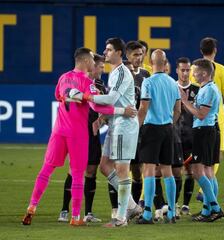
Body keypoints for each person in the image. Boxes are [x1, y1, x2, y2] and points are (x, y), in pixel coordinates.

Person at [22, 47, 121, 226]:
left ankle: (32, 206)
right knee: (77, 174)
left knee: (46, 169)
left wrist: (72, 96)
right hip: (77, 134)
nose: (94, 63)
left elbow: (59, 96)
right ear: (84, 61)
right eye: (92, 60)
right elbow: (97, 107)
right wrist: (121, 111)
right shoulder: (87, 82)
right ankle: (75, 217)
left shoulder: (63, 78)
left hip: (59, 131)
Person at [75, 37, 141, 227]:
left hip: (124, 126)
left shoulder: (121, 73)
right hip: (115, 124)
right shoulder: (114, 73)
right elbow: (114, 102)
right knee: (105, 166)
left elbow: (111, 99)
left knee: (122, 170)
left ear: (119, 53)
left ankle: (121, 218)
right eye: (106, 49)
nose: (105, 52)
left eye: (109, 49)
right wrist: (102, 118)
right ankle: (131, 206)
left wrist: (86, 96)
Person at [58, 53, 106, 223]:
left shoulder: (100, 85)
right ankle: (64, 209)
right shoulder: (77, 81)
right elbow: (66, 101)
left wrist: (100, 119)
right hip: (78, 131)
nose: (101, 69)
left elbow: (105, 107)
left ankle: (89, 213)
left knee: (91, 171)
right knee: (74, 170)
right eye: (99, 66)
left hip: (92, 135)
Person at [136, 49, 181, 224]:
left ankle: (147, 213)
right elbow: (177, 110)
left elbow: (143, 108)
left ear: (151, 62)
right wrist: (170, 123)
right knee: (167, 170)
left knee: (148, 170)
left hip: (152, 128)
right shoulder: (172, 83)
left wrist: (136, 128)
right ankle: (171, 212)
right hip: (168, 128)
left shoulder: (148, 82)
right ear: (166, 62)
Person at [180, 58, 224, 222]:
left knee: (197, 172)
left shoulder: (208, 90)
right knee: (208, 172)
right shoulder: (208, 88)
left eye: (195, 71)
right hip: (207, 130)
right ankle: (207, 211)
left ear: (204, 73)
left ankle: (216, 208)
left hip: (203, 131)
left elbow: (200, 114)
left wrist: (185, 102)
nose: (192, 74)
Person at [192, 37, 224, 200]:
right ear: (215, 50)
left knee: (203, 162)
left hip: (200, 118)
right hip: (217, 119)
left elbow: (192, 91)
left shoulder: (194, 68)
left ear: (201, 50)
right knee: (213, 158)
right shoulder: (221, 69)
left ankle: (208, 198)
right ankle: (208, 197)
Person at [125, 41, 151, 204]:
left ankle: (134, 205)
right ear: (128, 56)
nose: (139, 57)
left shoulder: (146, 75)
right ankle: (120, 206)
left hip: (141, 127)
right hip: (124, 125)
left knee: (137, 169)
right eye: (135, 54)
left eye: (141, 54)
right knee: (122, 167)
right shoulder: (121, 73)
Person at [175, 57, 199, 215]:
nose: (185, 73)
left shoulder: (197, 90)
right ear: (177, 70)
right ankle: (174, 204)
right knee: (175, 172)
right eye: (182, 70)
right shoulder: (171, 87)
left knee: (190, 172)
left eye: (187, 70)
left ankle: (185, 205)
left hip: (192, 137)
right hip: (174, 137)